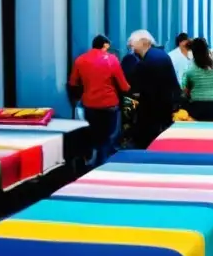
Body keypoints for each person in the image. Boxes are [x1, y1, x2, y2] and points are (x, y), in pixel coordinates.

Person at [68, 34, 130, 166]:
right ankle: (105, 162)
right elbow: (124, 86)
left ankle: (92, 161)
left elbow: (73, 82)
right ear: (105, 45)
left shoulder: (80, 60)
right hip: (109, 104)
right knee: (109, 135)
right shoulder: (112, 59)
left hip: (89, 104)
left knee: (94, 134)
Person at [128, 30, 179, 147]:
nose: (131, 45)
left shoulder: (147, 61)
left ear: (143, 42)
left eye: (133, 43)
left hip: (154, 108)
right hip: (165, 104)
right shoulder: (160, 54)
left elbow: (140, 86)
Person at [182, 37, 213, 121]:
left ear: (193, 52)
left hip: (197, 111)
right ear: (207, 50)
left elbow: (184, 90)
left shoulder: (189, 69)